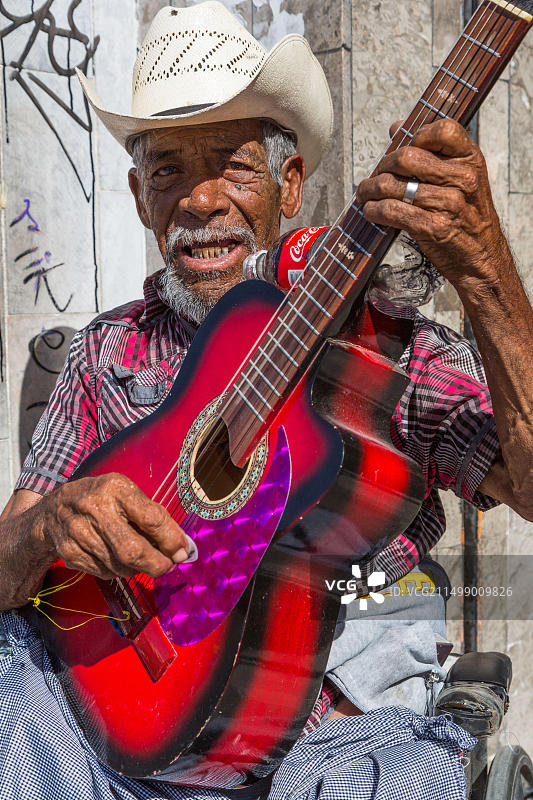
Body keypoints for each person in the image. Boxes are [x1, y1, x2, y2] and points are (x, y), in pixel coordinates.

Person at [0, 2, 532, 799]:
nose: (201, 199)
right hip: (113, 736)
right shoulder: (105, 350)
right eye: (168, 169)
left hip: (330, 739)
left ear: (289, 184)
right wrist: (47, 525)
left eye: (232, 163)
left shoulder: (392, 357)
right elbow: (10, 560)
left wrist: (485, 270)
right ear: (140, 197)